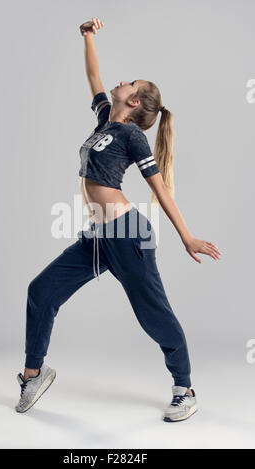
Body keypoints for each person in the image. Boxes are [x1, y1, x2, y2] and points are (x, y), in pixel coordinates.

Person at [15, 18, 222, 422]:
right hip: (97, 236)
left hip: (128, 235)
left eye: (131, 83)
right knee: (41, 291)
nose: (122, 81)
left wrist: (187, 237)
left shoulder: (132, 137)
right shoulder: (105, 119)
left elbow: (161, 190)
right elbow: (94, 75)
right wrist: (88, 36)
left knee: (153, 314)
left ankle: (186, 387)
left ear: (135, 102)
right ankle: (33, 375)